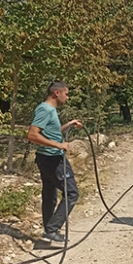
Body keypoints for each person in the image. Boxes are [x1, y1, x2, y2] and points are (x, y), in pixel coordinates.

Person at [26, 81, 82, 243]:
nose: (68, 97)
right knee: (72, 193)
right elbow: (32, 135)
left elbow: (52, 133)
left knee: (50, 194)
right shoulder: (45, 109)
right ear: (57, 93)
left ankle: (49, 231)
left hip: (47, 158)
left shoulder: (50, 110)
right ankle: (51, 229)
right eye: (66, 93)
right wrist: (59, 145)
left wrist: (69, 125)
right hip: (52, 159)